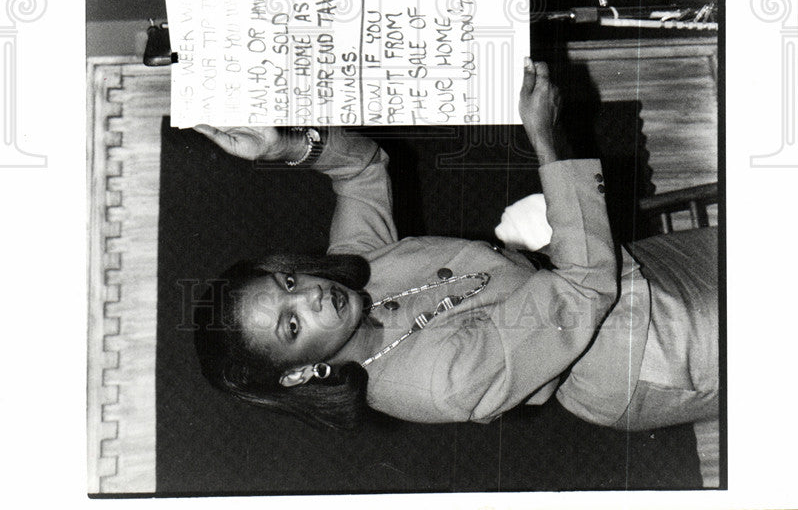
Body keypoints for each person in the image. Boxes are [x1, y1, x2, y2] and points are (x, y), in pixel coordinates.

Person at [193, 60, 718, 431]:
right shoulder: (438, 384)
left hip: (634, 272)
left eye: (288, 282)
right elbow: (581, 292)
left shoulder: (359, 272)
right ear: (302, 372)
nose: (311, 295)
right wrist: (548, 141)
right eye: (292, 324)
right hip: (650, 353)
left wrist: (285, 145)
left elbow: (361, 170)